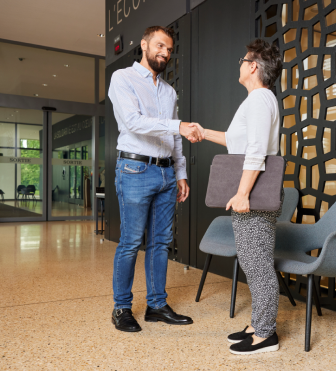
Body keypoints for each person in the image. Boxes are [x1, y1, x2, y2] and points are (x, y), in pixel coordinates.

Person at [108, 26, 203, 332]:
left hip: (165, 172)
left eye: (170, 49)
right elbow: (133, 122)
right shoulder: (122, 79)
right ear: (145, 45)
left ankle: (156, 306)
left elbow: (174, 138)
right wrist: (177, 125)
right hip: (134, 170)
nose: (165, 53)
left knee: (161, 242)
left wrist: (181, 173)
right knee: (131, 242)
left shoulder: (169, 92)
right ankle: (121, 307)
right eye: (160, 46)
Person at [192, 39, 283, 354]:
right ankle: (259, 323)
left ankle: (266, 334)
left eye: (243, 60)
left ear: (253, 66)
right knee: (251, 260)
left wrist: (243, 192)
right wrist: (203, 133)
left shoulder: (259, 99)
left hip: (254, 194)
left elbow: (256, 150)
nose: (239, 64)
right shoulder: (258, 99)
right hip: (251, 193)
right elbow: (236, 140)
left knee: (257, 264)